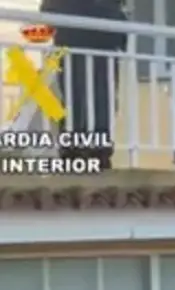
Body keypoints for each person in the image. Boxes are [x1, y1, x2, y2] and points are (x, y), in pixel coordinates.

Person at [42, 0, 127, 168]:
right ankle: (87, 151)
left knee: (90, 98)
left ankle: (85, 151)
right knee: (90, 97)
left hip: (93, 41)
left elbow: (48, 9)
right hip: (87, 41)